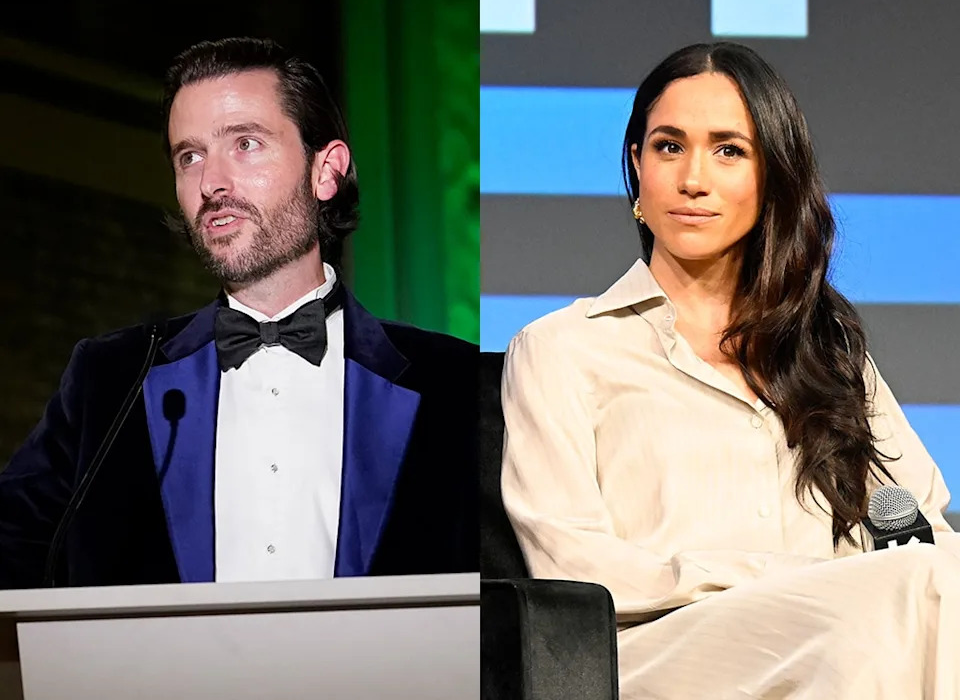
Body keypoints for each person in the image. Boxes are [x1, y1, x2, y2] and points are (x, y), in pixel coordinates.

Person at [500, 42, 960, 699]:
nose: (693, 178)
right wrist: (770, 577)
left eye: (728, 151)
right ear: (637, 167)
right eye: (668, 147)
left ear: (771, 178)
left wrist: (838, 585)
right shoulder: (563, 348)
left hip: (844, 641)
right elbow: (569, 565)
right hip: (657, 654)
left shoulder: (826, 349)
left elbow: (919, 527)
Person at [0, 37, 477, 589]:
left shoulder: (455, 382)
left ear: (326, 171)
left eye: (245, 144)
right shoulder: (108, 380)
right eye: (190, 156)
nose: (211, 183)